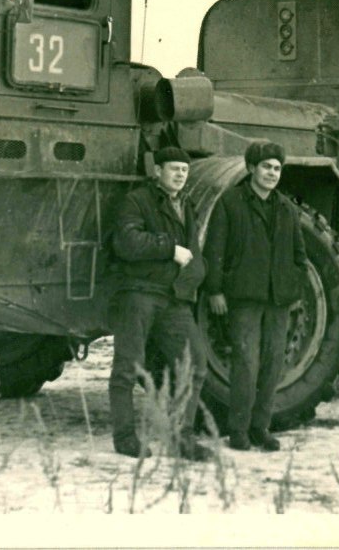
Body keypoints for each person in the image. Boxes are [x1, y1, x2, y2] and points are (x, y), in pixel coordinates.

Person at [108, 146, 211, 461]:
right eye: (174, 168)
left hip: (173, 298)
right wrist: (170, 248)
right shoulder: (137, 201)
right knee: (128, 367)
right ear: (157, 171)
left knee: (195, 364)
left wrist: (193, 278)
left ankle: (183, 438)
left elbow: (192, 250)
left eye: (184, 170)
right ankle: (125, 438)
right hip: (138, 293)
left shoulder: (186, 205)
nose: (180, 174)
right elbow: (127, 242)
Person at [204, 140, 308, 452]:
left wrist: (293, 289)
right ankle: (238, 430)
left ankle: (261, 428)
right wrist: (215, 290)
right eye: (266, 167)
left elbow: (300, 257)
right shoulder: (231, 203)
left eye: (277, 168)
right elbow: (215, 250)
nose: (272, 173)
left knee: (273, 364)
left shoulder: (287, 209)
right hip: (243, 299)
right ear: (251, 168)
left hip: (278, 301)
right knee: (246, 364)